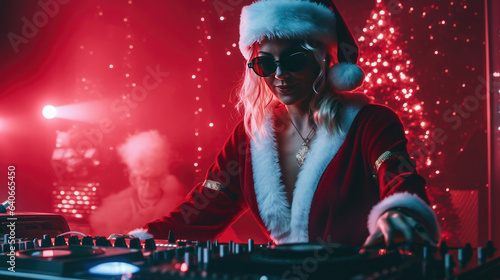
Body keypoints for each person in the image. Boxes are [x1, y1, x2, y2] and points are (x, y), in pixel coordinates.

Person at [130, 0, 440, 248]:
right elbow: (201, 210)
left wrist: (402, 211)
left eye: (294, 60)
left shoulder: (370, 123)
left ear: (323, 59)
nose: (280, 74)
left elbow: (400, 177)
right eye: (265, 63)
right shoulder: (250, 136)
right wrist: (137, 239)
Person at [90, 130, 184, 237]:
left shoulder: (175, 209)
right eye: (143, 179)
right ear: (134, 179)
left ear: (161, 179)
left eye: (153, 179)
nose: (148, 185)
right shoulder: (114, 207)